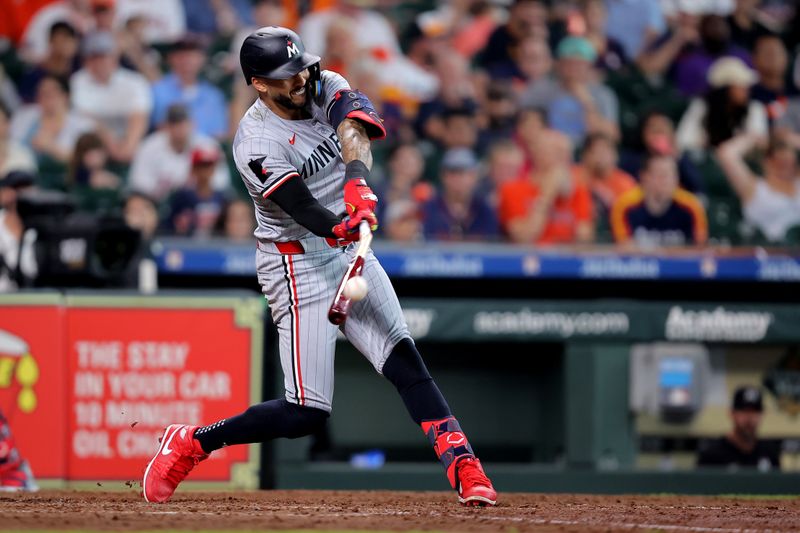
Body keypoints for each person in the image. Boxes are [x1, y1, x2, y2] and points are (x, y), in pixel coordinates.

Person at [141, 26, 497, 507]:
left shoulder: (321, 81)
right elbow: (304, 212)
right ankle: (192, 442)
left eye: (300, 67)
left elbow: (354, 125)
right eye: (286, 76)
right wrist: (346, 225)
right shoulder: (254, 143)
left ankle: (465, 466)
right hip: (297, 264)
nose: (301, 79)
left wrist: (356, 182)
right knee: (305, 413)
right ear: (259, 84)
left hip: (345, 249)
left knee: (403, 359)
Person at [499, 129, 594, 245]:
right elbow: (524, 237)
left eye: (568, 153)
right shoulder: (512, 189)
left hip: (565, 259)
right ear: (537, 154)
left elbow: (584, 240)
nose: (566, 159)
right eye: (558, 152)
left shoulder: (579, 191)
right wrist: (547, 194)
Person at [520, 36, 619, 146]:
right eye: (568, 63)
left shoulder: (603, 94)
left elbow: (612, 136)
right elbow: (523, 121)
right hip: (548, 149)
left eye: (579, 64)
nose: (573, 69)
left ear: (589, 66)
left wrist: (587, 102)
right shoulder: (541, 89)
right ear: (558, 64)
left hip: (586, 152)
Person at [69, 31, 152, 163]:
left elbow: (139, 118)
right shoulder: (78, 80)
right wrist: (111, 144)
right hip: (94, 144)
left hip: (130, 143)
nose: (99, 62)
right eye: (94, 57)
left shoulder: (134, 81)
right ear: (86, 61)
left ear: (114, 58)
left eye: (104, 56)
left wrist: (129, 147)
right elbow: (87, 118)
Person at [129, 104, 230, 201]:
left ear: (193, 124)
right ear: (165, 126)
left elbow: (221, 182)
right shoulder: (149, 146)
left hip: (197, 203)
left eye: (183, 123)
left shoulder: (207, 146)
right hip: (158, 206)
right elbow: (139, 184)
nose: (179, 128)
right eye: (174, 124)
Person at [716, 133, 800, 242]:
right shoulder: (753, 187)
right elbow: (727, 154)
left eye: (789, 162)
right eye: (778, 162)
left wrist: (788, 137)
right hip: (768, 250)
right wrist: (754, 137)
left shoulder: (798, 184)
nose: (784, 167)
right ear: (765, 161)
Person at [611, 154, 708, 247]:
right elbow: (624, 249)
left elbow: (699, 249)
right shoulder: (625, 206)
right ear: (644, 177)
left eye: (672, 175)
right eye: (661, 175)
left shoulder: (691, 206)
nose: (667, 181)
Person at [676, 56, 767, 152]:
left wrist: (727, 150)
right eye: (741, 85)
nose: (746, 90)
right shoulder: (702, 106)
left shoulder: (754, 108)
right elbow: (683, 141)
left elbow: (759, 142)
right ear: (726, 89)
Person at [150, 35, 228, 139]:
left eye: (192, 55)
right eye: (181, 55)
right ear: (170, 58)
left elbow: (219, 133)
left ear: (202, 59)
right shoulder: (156, 90)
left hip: (205, 150)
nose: (187, 60)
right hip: (168, 149)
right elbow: (157, 127)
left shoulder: (213, 95)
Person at [10, 75, 95, 164]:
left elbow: (88, 160)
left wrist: (51, 147)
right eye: (41, 93)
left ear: (66, 96)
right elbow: (10, 145)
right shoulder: (24, 115)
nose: (45, 97)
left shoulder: (82, 125)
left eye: (51, 93)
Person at [421, 148, 499, 242]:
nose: (458, 179)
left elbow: (492, 243)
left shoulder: (484, 209)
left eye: (463, 173)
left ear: (474, 176)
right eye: (452, 173)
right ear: (443, 176)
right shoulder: (430, 207)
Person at [697, 386, 780, 471]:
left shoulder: (769, 452)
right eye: (744, 411)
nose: (749, 417)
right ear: (732, 413)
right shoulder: (712, 453)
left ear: (762, 414)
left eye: (755, 411)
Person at [574, 133, 636, 223]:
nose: (601, 156)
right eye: (596, 151)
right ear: (585, 155)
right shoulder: (575, 175)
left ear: (616, 156)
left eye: (606, 151)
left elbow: (631, 215)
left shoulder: (625, 182)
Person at [167, 146, 228, 237]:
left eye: (209, 166)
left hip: (216, 244)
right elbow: (170, 225)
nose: (205, 171)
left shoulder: (222, 197)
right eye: (201, 166)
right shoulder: (182, 197)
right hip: (189, 243)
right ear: (193, 169)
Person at [0, 171, 38, 292]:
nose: (22, 194)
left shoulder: (42, 230)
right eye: (16, 188)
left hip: (35, 301)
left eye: (27, 187)